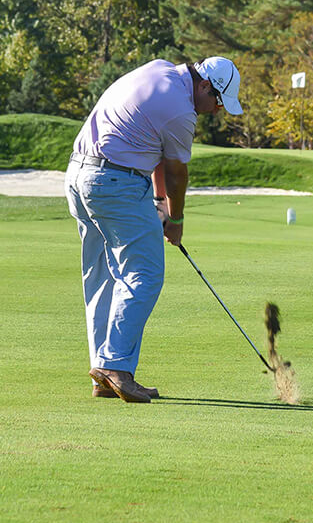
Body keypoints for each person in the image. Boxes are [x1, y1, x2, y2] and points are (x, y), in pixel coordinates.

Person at [65, 56, 243, 402]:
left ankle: (103, 372)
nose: (216, 111)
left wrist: (160, 202)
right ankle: (115, 367)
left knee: (101, 275)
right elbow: (177, 172)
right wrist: (175, 221)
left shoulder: (159, 69)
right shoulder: (182, 111)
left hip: (78, 176)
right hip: (115, 182)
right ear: (204, 86)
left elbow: (158, 153)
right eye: (217, 102)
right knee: (143, 273)